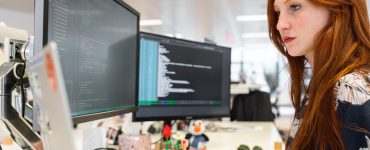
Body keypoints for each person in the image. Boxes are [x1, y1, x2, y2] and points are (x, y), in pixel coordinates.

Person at [267, 0, 370, 149]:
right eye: (277, 13)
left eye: (295, 7)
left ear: (337, 7)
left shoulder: (351, 87)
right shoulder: (323, 83)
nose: (280, 24)